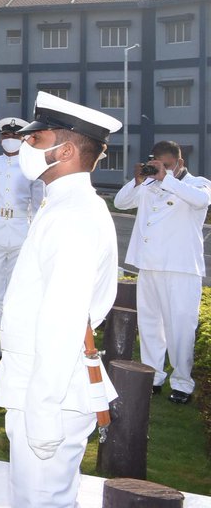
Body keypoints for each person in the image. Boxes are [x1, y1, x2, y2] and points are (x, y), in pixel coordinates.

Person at [0, 91, 120, 508]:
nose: (25, 144)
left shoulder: (73, 215)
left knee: (41, 500)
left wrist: (44, 408)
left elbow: (63, 318)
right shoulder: (63, 205)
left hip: (50, 392)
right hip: (42, 384)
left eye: (36, 139)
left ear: (65, 151)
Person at [113, 140, 210, 404]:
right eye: (158, 164)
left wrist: (166, 178)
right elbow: (121, 203)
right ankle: (152, 376)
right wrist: (137, 181)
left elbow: (202, 201)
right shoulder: (148, 184)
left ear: (180, 163)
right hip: (149, 265)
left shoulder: (198, 184)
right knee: (150, 325)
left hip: (180, 268)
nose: (162, 169)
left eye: (167, 165)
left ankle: (182, 383)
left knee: (180, 328)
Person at [0, 117, 45, 360]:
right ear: (1, 139)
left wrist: (37, 237)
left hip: (20, 231)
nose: (11, 140)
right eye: (7, 136)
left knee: (16, 292)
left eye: (16, 136)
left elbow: (38, 206)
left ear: (24, 139)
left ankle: (13, 342)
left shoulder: (32, 167)